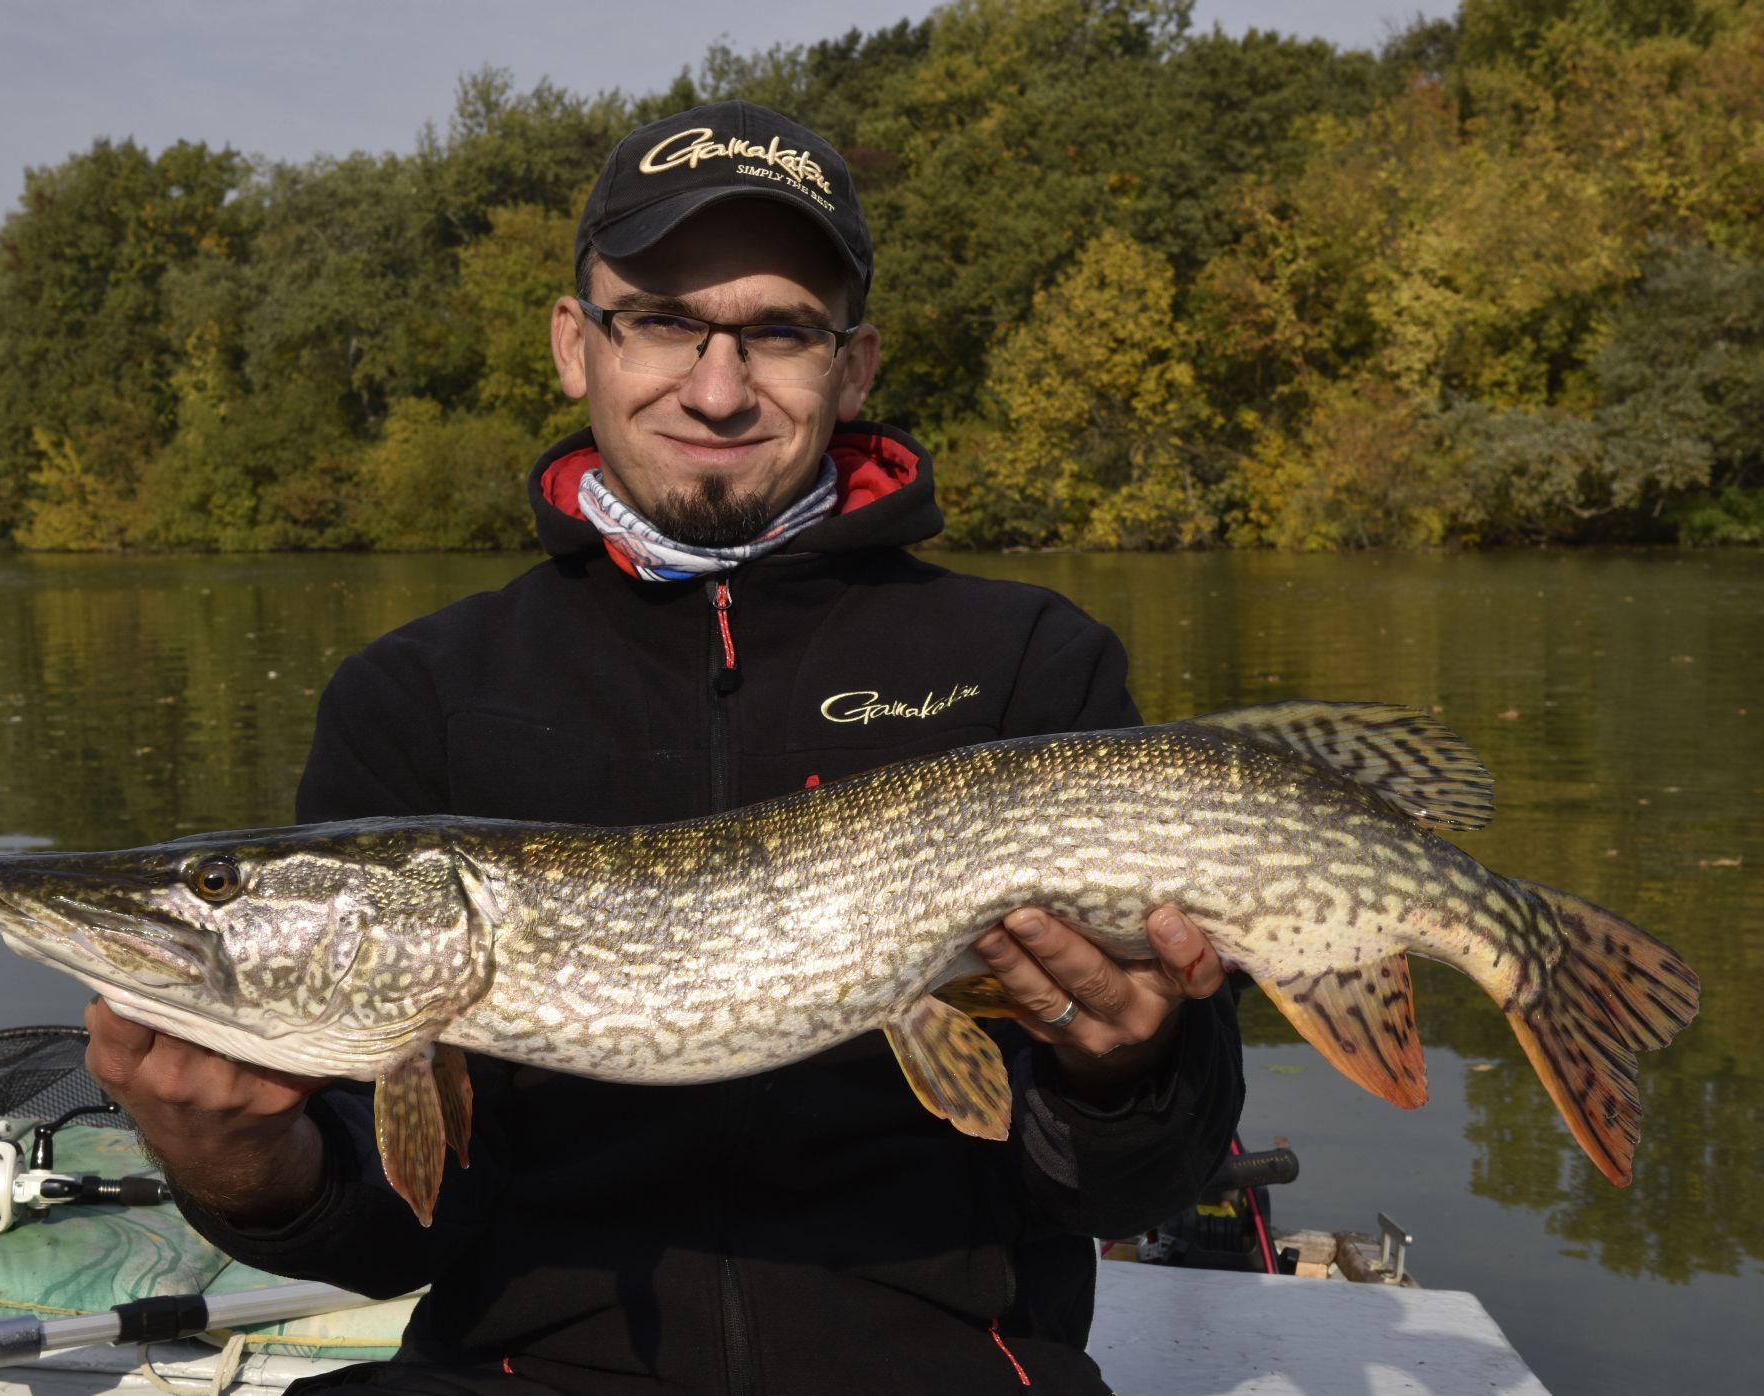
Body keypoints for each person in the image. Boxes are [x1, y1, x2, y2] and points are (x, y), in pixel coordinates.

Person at [85, 101, 1244, 1395]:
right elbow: (391, 1233)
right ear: (577, 346)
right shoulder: (419, 696)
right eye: (662, 320)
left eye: (778, 330)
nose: (716, 384)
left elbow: (1133, 1183)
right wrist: (242, 1165)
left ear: (853, 367)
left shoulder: (1032, 663)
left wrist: (1128, 1069)